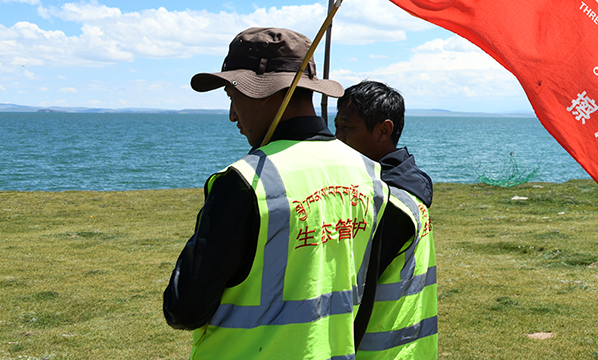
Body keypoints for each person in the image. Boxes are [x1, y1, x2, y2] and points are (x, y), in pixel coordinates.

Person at [164, 27, 390, 360]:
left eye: (233, 96)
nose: (231, 115)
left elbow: (184, 308)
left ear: (265, 92)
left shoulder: (246, 181)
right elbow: (364, 300)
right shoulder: (369, 175)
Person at [335, 81, 438, 359]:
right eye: (336, 126)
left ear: (384, 131)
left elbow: (349, 287)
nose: (337, 137)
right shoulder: (403, 185)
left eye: (347, 127)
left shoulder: (390, 203)